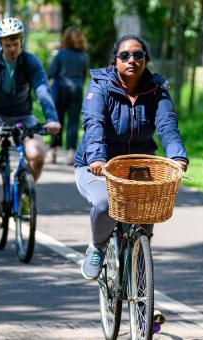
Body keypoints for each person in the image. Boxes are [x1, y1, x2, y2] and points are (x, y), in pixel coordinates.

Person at [74, 35, 189, 280]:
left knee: (146, 214)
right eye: (124, 55)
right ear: (114, 60)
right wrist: (96, 158)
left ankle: (141, 287)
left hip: (138, 164)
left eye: (138, 55)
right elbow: (93, 123)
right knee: (106, 205)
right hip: (99, 165)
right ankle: (98, 246)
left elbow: (167, 125)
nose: (132, 60)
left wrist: (178, 157)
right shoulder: (100, 86)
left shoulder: (157, 89)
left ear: (146, 59)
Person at [0, 17, 61, 217]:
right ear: (0, 45)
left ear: (21, 41)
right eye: (7, 45)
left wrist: (52, 118)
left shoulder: (30, 61)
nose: (12, 49)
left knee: (38, 155)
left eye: (16, 44)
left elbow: (42, 91)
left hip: (23, 116)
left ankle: (24, 194)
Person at [47, 27, 90, 165]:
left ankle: (53, 150)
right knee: (73, 122)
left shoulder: (61, 54)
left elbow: (52, 72)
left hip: (61, 89)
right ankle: (71, 153)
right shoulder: (84, 56)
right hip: (76, 90)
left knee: (57, 120)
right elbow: (84, 76)